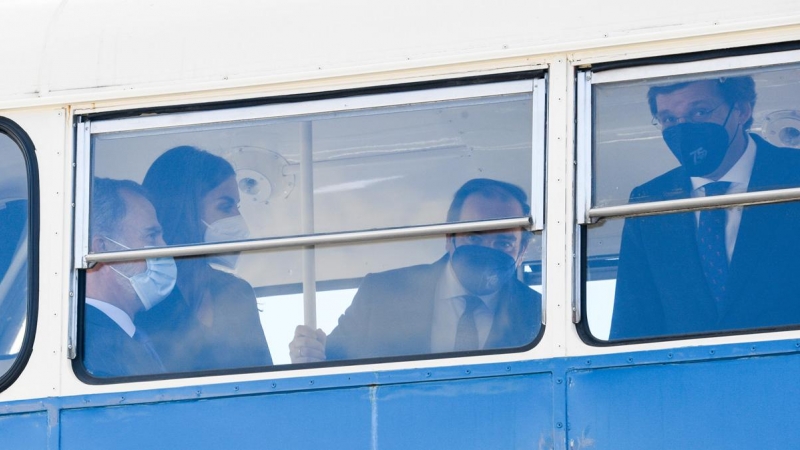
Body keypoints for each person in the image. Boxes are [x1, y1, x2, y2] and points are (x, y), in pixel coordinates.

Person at [610, 76, 800, 340]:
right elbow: (633, 321)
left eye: (699, 112)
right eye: (669, 120)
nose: (684, 128)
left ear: (742, 110)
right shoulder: (649, 200)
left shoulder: (795, 174)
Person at [290, 178, 542, 363]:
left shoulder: (538, 314)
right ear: (449, 236)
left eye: (504, 243)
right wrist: (307, 355)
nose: (488, 250)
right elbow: (331, 368)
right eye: (474, 239)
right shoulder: (381, 296)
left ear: (522, 251)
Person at [137, 146, 272, 372]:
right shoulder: (141, 298)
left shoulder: (238, 292)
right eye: (225, 206)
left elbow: (264, 380)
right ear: (185, 208)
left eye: (236, 207)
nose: (238, 220)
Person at [83, 178, 175, 377]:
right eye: (151, 236)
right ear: (103, 249)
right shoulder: (88, 346)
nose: (165, 248)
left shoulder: (127, 334)